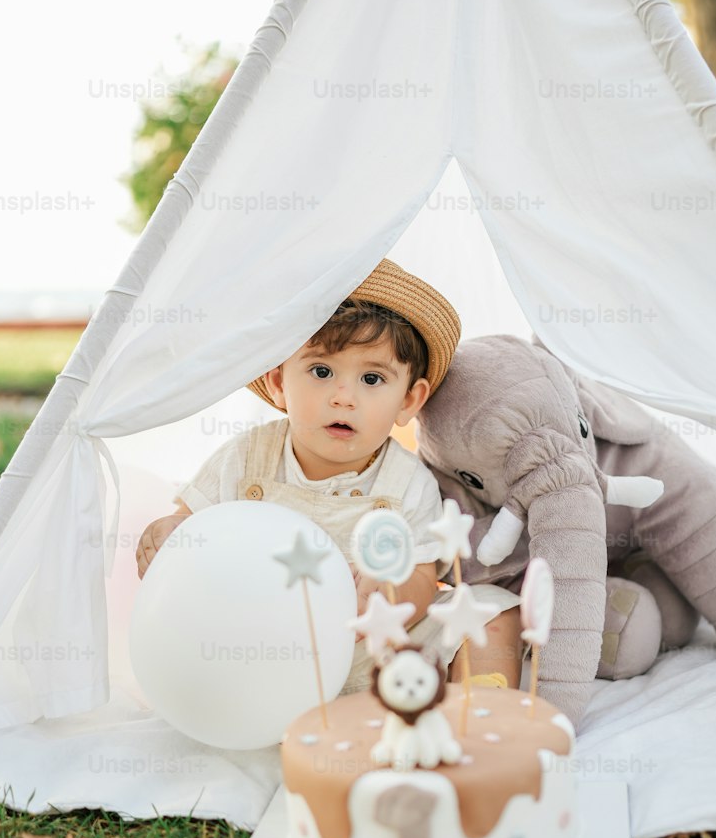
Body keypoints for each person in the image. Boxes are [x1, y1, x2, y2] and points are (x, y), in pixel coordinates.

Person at [135, 258, 522, 695]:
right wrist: (170, 533)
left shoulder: (407, 481)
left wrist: (394, 591)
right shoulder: (247, 457)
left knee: (492, 608)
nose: (344, 398)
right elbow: (193, 521)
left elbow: (423, 574)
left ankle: (482, 702)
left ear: (409, 401)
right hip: (265, 644)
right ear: (279, 382)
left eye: (372, 378)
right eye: (321, 372)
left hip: (376, 648)